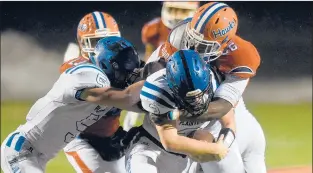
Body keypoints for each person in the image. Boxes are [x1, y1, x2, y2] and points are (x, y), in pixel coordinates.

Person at [0, 36, 141, 173]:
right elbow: (126, 97)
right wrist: (150, 81)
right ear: (108, 65)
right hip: (21, 150)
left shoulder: (104, 91)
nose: (129, 78)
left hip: (38, 155)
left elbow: (136, 102)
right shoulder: (90, 75)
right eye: (126, 72)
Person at [123, 1, 200, 132]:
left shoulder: (198, 32)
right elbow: (150, 57)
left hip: (186, 77)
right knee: (137, 107)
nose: (177, 15)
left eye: (183, 11)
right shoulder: (153, 29)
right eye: (174, 9)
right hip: (161, 73)